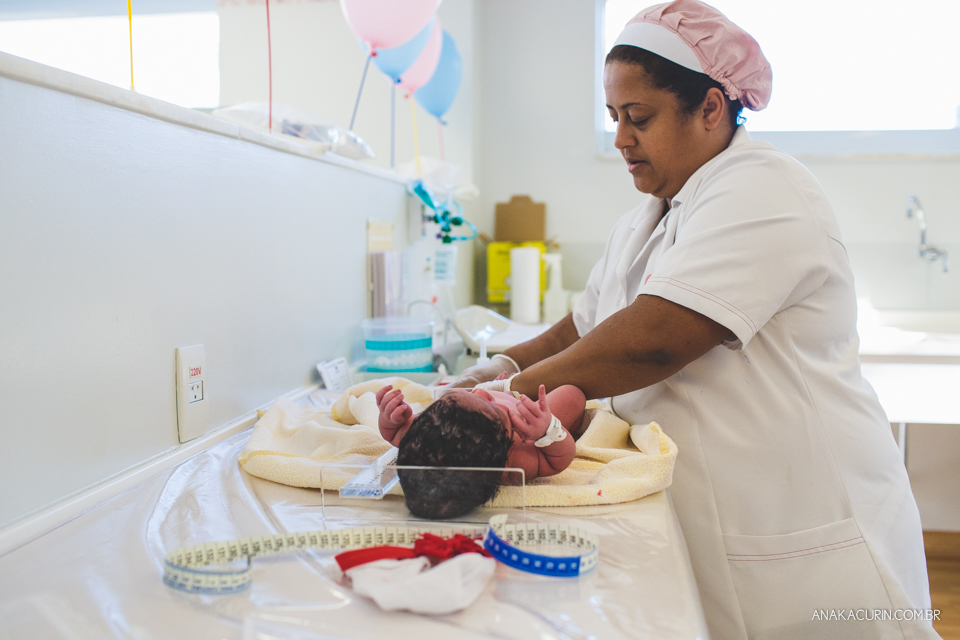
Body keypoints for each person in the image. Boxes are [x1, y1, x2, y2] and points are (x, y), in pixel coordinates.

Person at [454, 1, 937, 638]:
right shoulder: (647, 217)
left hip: (809, 527)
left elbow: (654, 340)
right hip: (712, 524)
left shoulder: (765, 188)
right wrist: (505, 362)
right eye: (614, 119)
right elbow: (583, 325)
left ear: (711, 107)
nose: (622, 138)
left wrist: (496, 399)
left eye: (640, 118)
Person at [375, 383, 585, 519]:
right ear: (504, 465)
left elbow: (394, 434)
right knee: (572, 395)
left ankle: (503, 387)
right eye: (492, 405)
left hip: (508, 393)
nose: (479, 391)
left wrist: (390, 419)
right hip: (532, 419)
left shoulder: (427, 433)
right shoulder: (520, 457)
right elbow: (559, 460)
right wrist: (549, 430)